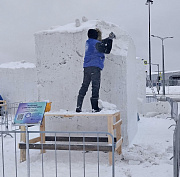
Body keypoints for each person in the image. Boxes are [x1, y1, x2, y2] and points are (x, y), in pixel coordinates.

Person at [76, 28, 116, 112]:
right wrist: (111, 40)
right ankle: (95, 108)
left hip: (87, 67)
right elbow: (107, 50)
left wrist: (108, 38)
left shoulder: (88, 43)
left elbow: (100, 43)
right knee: (95, 87)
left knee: (84, 86)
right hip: (95, 67)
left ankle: (78, 106)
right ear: (95, 35)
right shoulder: (97, 44)